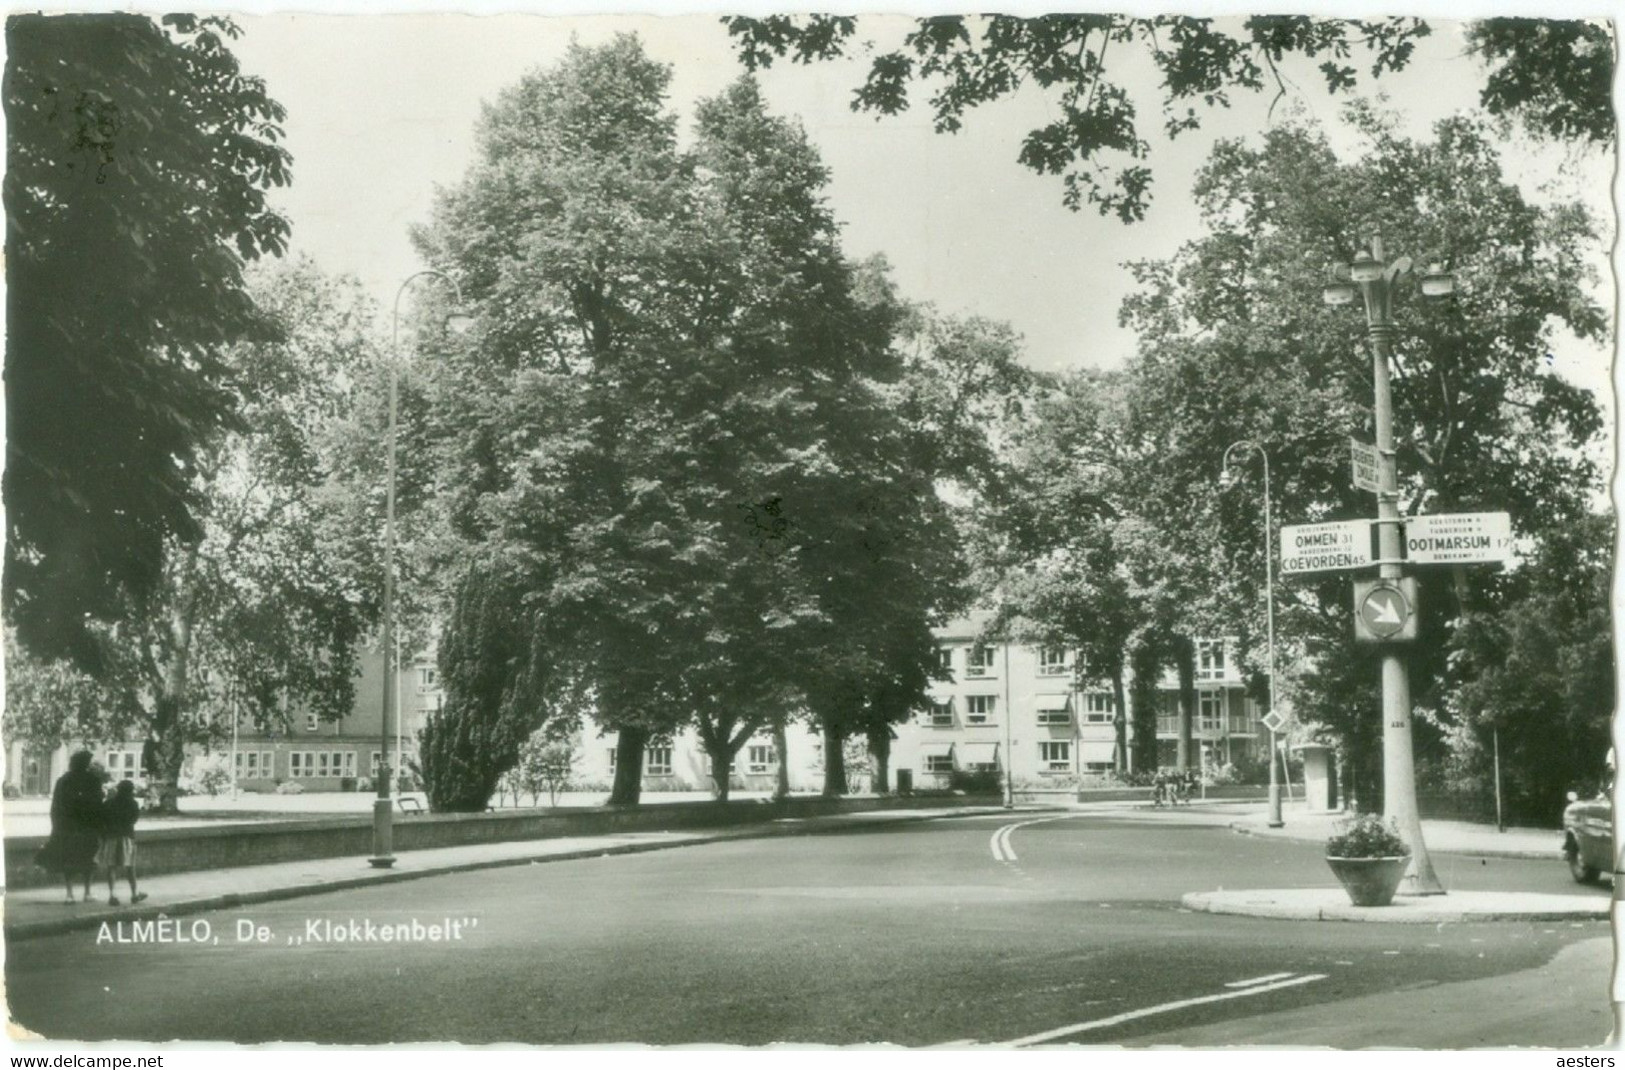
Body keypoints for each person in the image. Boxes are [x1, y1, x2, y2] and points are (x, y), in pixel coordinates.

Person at [41, 750, 103, 903]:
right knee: (88, 858)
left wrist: (57, 827)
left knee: (69, 859)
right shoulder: (93, 780)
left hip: (68, 827)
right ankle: (87, 893)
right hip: (87, 827)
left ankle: (70, 894)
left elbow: (56, 807)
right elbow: (97, 805)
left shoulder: (63, 780)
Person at [97, 779, 147, 906]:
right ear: (130, 791)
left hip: (111, 837)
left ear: (118, 789)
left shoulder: (108, 803)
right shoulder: (133, 804)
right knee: (130, 867)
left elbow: (101, 819)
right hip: (127, 837)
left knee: (111, 867)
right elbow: (133, 820)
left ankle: (112, 894)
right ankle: (134, 894)